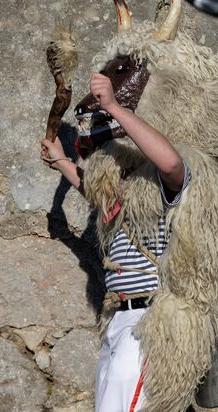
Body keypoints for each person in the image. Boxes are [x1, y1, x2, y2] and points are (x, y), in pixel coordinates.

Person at [42, 72, 190, 411]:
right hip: (118, 321)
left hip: (149, 323)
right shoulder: (124, 196)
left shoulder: (165, 189)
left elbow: (171, 162)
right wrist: (61, 161)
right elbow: (99, 197)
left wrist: (114, 106)